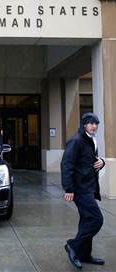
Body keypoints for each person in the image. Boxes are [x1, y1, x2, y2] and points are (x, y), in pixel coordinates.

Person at [61, 112, 105, 269]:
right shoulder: (76, 141)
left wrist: (103, 162)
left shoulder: (91, 140)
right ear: (84, 124)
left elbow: (93, 161)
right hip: (79, 189)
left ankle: (85, 254)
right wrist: (69, 188)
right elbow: (66, 165)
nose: (94, 126)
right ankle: (73, 245)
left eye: (96, 123)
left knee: (86, 220)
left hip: (89, 186)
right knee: (96, 220)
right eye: (91, 123)